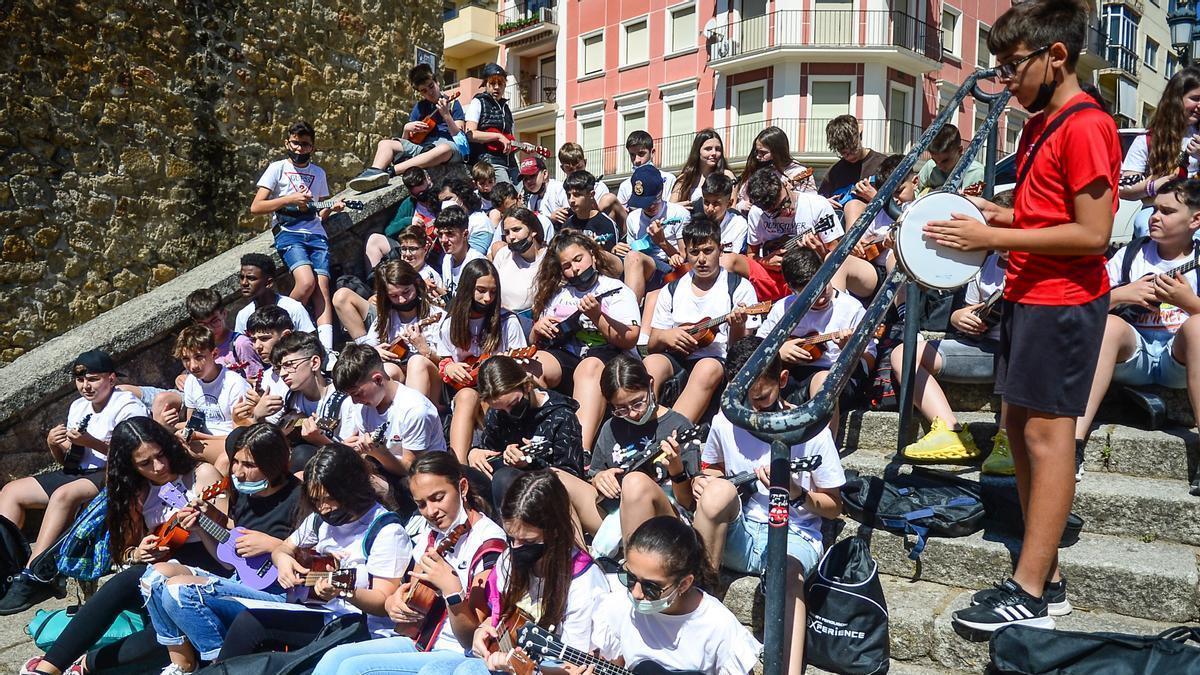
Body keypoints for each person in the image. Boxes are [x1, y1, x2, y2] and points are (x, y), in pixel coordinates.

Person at [923, 0, 1122, 633]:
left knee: (1047, 436)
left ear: (1055, 56)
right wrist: (990, 216)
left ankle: (1030, 589)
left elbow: (1093, 234)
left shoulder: (1086, 125)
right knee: (1020, 427)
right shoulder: (1041, 124)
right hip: (1030, 296)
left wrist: (993, 239)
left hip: (1064, 302)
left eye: (1013, 67)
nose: (1005, 81)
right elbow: (1044, 217)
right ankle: (1048, 576)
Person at [20, 421, 294, 675]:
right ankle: (51, 665)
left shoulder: (201, 475)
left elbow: (229, 541)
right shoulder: (135, 493)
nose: (159, 466)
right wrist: (138, 552)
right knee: (128, 582)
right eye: (145, 463)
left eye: (160, 455)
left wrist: (203, 520)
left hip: (209, 566)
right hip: (159, 569)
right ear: (131, 467)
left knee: (161, 635)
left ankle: (80, 665)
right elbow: (123, 551)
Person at [145, 444, 411, 670]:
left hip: (349, 622)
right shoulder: (320, 520)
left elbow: (383, 601)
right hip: (309, 605)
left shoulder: (385, 532)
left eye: (330, 499)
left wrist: (344, 590)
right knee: (155, 580)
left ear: (351, 489)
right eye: (317, 501)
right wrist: (284, 562)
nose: (324, 508)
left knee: (249, 623)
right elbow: (284, 548)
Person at [691, 336, 845, 674]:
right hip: (740, 531)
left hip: (794, 532)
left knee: (788, 573)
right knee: (716, 494)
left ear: (784, 380)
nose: (754, 405)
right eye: (746, 395)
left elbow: (835, 505)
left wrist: (796, 493)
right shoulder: (724, 420)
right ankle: (700, 612)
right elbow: (712, 468)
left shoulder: (810, 429)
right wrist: (703, 481)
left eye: (762, 395)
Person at [310, 453, 507, 675]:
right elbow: (403, 596)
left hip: (457, 651)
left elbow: (471, 638)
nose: (431, 512)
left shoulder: (489, 544)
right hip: (421, 640)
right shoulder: (430, 535)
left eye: (438, 498)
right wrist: (394, 603)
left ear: (462, 488)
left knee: (353, 670)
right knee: (336, 657)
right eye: (421, 504)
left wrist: (452, 592)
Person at [0, 350, 147, 615]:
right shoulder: (78, 406)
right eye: (80, 381)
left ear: (111, 379)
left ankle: (36, 573)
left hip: (114, 473)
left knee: (64, 494)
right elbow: (70, 461)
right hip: (79, 472)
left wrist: (89, 441)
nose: (85, 386)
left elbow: (136, 453)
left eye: (93, 379)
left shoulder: (127, 405)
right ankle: (7, 569)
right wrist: (54, 445)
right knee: (12, 491)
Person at [1075, 179, 1200, 487]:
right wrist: (1120, 295)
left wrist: (1189, 303)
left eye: (1168, 211)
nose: (1155, 217)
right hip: (1134, 353)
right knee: (1107, 326)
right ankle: (1074, 443)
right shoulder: (1130, 255)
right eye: (1154, 209)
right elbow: (1082, 306)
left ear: (1195, 220)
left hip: (1179, 358)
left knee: (1198, 325)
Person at [446, 471, 610, 675]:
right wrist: (483, 632)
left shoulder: (583, 582)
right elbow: (499, 618)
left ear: (555, 531)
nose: (516, 548)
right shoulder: (508, 559)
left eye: (529, 542)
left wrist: (518, 666)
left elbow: (577, 666)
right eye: (511, 538)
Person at [557, 355, 697, 558]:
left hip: (664, 521)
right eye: (620, 408)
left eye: (638, 402)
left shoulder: (678, 425)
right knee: (554, 478)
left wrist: (676, 469)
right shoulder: (611, 427)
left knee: (635, 483)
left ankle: (633, 565)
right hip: (615, 515)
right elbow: (594, 480)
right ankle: (582, 560)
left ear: (650, 385)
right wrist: (599, 478)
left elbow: (687, 502)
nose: (632, 413)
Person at [583, 517, 762, 675]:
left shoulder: (718, 626)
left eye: (651, 587)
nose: (636, 593)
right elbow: (616, 665)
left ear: (684, 584)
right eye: (629, 578)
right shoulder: (619, 607)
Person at [889, 251, 1008, 465]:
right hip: (984, 349)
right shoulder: (987, 262)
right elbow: (966, 309)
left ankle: (1007, 441)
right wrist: (960, 318)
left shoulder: (1035, 264)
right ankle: (949, 430)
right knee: (903, 354)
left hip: (1019, 353)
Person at [528, 232, 641, 449]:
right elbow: (536, 341)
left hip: (609, 358)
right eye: (567, 266)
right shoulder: (559, 295)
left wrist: (598, 316)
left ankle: (578, 448)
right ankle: (540, 437)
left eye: (578, 260)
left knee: (589, 367)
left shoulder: (615, 290)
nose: (575, 269)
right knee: (534, 363)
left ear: (592, 255)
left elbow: (630, 338)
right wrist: (537, 330)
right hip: (569, 355)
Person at [645, 217, 759, 422]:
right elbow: (652, 345)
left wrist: (738, 325)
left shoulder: (739, 288)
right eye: (694, 252)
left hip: (716, 361)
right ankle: (640, 420)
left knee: (706, 367)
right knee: (651, 363)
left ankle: (670, 431)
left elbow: (739, 350)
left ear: (720, 249)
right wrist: (666, 335)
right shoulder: (672, 289)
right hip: (678, 358)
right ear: (686, 254)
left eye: (708, 251)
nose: (701, 259)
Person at [756, 248, 877, 441]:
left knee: (822, 379)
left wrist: (850, 350)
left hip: (837, 378)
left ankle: (823, 450)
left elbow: (869, 361)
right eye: (810, 294)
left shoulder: (850, 308)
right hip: (791, 376)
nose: (821, 297)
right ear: (792, 289)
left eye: (824, 287)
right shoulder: (783, 308)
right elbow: (756, 347)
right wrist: (780, 350)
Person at [250, 120, 344, 352]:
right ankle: (279, 329)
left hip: (315, 233)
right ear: (287, 143)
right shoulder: (277, 168)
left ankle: (326, 349)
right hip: (289, 233)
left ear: (312, 147)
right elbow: (256, 206)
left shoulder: (318, 173)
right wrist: (290, 199)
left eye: (305, 144)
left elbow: (318, 211)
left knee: (322, 287)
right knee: (306, 283)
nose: (300, 149)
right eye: (295, 143)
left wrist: (332, 208)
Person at [430, 259, 529, 459]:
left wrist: (503, 364)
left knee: (491, 399)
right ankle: (459, 463)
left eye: (493, 292)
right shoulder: (450, 323)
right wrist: (448, 367)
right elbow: (445, 357)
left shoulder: (507, 321)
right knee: (467, 396)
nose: (487, 298)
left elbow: (521, 366)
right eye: (481, 290)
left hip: (497, 387)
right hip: (463, 389)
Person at [467, 356, 585, 510]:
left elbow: (572, 476)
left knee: (504, 479)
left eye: (513, 404)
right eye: (500, 409)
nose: (508, 413)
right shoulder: (497, 414)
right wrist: (475, 453)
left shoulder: (561, 416)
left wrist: (531, 463)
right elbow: (489, 450)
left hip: (546, 496)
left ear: (527, 386)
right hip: (501, 490)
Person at [332, 343, 447, 481]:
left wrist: (380, 453)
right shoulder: (363, 406)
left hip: (425, 478)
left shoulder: (415, 410)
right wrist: (354, 450)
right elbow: (367, 456)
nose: (355, 401)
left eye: (357, 394)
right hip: (383, 470)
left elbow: (412, 470)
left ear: (378, 379)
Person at [348, 64, 467, 192]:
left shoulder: (453, 103)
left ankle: (391, 172)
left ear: (437, 82)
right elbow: (408, 144)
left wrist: (446, 115)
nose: (430, 92)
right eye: (424, 91)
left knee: (443, 149)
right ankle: (374, 172)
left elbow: (460, 139)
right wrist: (406, 129)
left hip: (449, 148)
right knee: (385, 144)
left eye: (431, 86)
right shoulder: (420, 107)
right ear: (420, 92)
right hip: (424, 148)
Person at [337, 259, 446, 396]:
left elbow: (448, 364)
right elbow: (368, 349)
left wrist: (425, 350)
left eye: (406, 292)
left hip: (433, 380)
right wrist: (375, 352)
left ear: (416, 284)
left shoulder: (437, 316)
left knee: (416, 362)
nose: (402, 300)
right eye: (394, 296)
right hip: (401, 376)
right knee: (386, 370)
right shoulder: (385, 319)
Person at [260, 332, 360, 473]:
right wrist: (257, 416)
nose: (282, 373)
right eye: (280, 367)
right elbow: (277, 437)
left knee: (302, 454)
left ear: (314, 363)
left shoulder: (344, 401)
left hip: (335, 470)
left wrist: (319, 440)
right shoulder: (291, 397)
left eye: (289, 365)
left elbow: (352, 458)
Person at [1119, 66, 1200, 238]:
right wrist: (1153, 185)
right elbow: (1124, 189)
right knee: (1145, 226)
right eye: (1195, 99)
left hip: (1196, 215)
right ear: (1176, 99)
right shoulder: (1147, 141)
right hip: (1159, 211)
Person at [171, 325, 251, 472]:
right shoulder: (191, 381)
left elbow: (241, 435)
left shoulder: (234, 384)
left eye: (199, 357)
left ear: (214, 354)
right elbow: (192, 421)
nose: (193, 366)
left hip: (229, 441)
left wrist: (198, 437)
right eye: (186, 359)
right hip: (202, 438)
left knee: (179, 449)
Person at [625, 164, 691, 297]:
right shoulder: (633, 218)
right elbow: (632, 251)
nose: (650, 207)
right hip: (640, 264)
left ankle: (628, 312)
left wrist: (661, 242)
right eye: (643, 203)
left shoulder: (679, 214)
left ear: (661, 192)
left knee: (634, 257)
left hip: (668, 267)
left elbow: (684, 258)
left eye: (654, 200)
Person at [363, 168, 437, 273]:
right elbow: (389, 231)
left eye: (425, 191)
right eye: (419, 196)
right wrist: (408, 221)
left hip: (435, 249)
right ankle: (376, 281)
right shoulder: (409, 204)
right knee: (374, 240)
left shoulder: (442, 197)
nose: (425, 198)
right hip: (410, 251)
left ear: (428, 179)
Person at [491, 206, 547, 332]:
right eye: (507, 232)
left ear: (533, 230)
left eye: (516, 230)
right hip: (501, 322)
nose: (511, 237)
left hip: (531, 326)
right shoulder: (503, 254)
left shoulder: (548, 260)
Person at [185, 289, 261, 382]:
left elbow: (258, 380)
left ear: (224, 314)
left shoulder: (240, 344)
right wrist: (182, 377)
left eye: (214, 321)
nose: (210, 329)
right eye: (203, 325)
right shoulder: (198, 347)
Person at [734, 126, 816, 212]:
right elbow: (740, 198)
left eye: (763, 152)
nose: (758, 156)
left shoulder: (797, 172)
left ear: (778, 151)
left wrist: (790, 195)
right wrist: (740, 206)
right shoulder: (756, 170)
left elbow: (811, 203)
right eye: (756, 151)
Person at [233, 253, 315, 335]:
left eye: (251, 278)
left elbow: (311, 344)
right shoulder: (243, 316)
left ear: (269, 283)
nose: (244, 283)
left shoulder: (293, 308)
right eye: (241, 277)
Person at [465, 63, 519, 185]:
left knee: (523, 192)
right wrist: (499, 136)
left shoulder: (506, 109)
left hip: (510, 162)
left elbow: (509, 140)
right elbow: (470, 134)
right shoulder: (478, 102)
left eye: (500, 84)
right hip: (489, 162)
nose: (496, 87)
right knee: (506, 193)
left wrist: (520, 146)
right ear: (485, 84)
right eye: (492, 83)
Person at [817, 114, 887, 202]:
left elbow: (898, 205)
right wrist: (826, 203)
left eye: (853, 149)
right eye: (843, 153)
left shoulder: (883, 164)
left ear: (859, 135)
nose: (850, 156)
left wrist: (874, 197)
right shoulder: (834, 172)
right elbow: (819, 202)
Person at [558, 141, 625, 230]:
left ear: (585, 163)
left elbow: (600, 217)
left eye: (579, 167)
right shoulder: (559, 191)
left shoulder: (599, 187)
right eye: (570, 170)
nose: (576, 173)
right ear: (563, 169)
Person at [670, 129, 736, 207]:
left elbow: (732, 207)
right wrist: (683, 206)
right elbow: (671, 207)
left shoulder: (727, 175)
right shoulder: (685, 178)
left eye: (718, 149)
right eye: (708, 149)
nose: (714, 153)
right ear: (698, 151)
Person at [916, 124, 986, 194]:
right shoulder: (930, 167)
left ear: (960, 151)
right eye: (935, 161)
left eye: (945, 161)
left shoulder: (978, 173)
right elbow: (914, 192)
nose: (939, 166)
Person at [436, 206, 487, 300]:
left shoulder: (478, 263)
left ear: (465, 234)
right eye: (440, 234)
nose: (443, 240)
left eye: (450, 234)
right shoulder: (447, 259)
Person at [616, 131, 678, 207]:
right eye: (632, 155)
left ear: (652, 153)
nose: (636, 160)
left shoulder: (669, 179)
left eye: (641, 154)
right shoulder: (625, 186)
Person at [440, 177, 494, 255]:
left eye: (448, 198)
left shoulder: (480, 223)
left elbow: (473, 257)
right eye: (442, 201)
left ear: (461, 196)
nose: (444, 204)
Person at [701, 172, 750, 256]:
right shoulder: (696, 223)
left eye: (716, 204)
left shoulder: (738, 224)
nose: (710, 208)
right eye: (706, 202)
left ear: (729, 204)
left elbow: (736, 258)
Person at [517, 155, 569, 232]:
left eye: (532, 176)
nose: (528, 181)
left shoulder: (559, 189)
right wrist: (549, 219)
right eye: (525, 179)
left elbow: (570, 213)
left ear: (545, 174)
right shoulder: (532, 199)